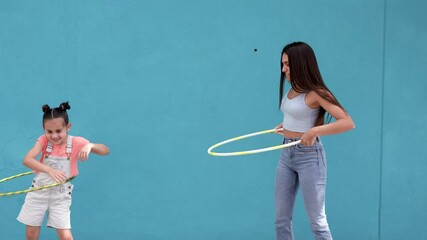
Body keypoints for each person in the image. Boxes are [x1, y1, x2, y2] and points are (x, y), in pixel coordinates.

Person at [274, 42, 355, 240]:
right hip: (286, 153)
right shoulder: (292, 90)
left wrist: (314, 131)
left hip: (309, 157)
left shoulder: (317, 93)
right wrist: (286, 126)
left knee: (317, 221)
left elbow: (348, 122)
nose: (283, 69)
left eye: (288, 64)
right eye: (282, 64)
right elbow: (298, 115)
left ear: (301, 64)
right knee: (281, 219)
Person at [17, 102, 110, 240]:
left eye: (59, 131)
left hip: (60, 196)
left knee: (65, 236)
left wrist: (90, 146)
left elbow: (105, 150)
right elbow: (27, 160)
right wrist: (49, 170)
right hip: (39, 191)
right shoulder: (43, 141)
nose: (54, 136)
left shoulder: (77, 142)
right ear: (44, 129)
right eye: (49, 131)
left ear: (68, 127)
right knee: (31, 233)